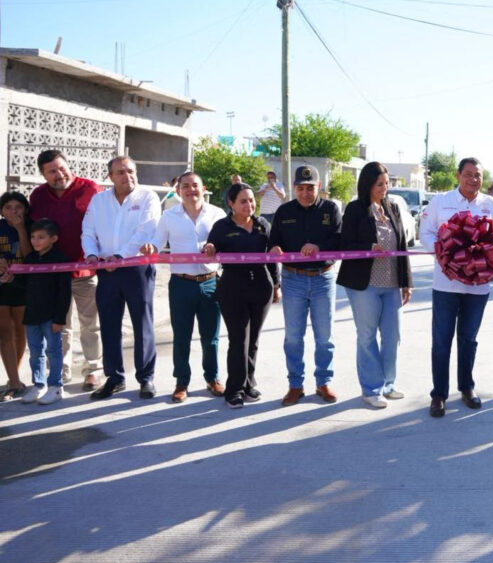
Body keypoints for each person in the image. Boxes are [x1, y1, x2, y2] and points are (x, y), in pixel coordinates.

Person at [420, 157, 493, 417]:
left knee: (469, 340)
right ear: (458, 175)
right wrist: (445, 255)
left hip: (478, 287)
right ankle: (439, 395)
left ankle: (467, 388)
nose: (473, 179)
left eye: (478, 175)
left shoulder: (490, 204)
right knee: (441, 341)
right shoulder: (440, 202)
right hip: (446, 284)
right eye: (468, 174)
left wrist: (485, 261)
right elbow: (426, 233)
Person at [141, 172, 226, 403]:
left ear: (203, 188)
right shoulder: (169, 216)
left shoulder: (217, 213)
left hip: (210, 282)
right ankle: (181, 382)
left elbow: (225, 242)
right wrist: (150, 248)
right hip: (181, 283)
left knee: (211, 337)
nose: (190, 190)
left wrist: (214, 246)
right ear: (178, 191)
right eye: (185, 186)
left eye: (195, 185)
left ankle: (212, 378)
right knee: (181, 336)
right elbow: (157, 243)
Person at [82, 155, 161, 400]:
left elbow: (145, 231)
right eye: (121, 172)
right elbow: (88, 230)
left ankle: (146, 378)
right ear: (110, 177)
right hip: (106, 270)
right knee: (109, 325)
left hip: (136, 269)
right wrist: (91, 254)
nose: (127, 176)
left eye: (131, 171)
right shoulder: (99, 200)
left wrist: (120, 256)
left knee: (142, 324)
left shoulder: (147, 197)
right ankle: (114, 378)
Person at [337, 162, 412, 409]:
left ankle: (388, 384)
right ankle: (371, 389)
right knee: (367, 336)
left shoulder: (392, 208)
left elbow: (402, 246)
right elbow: (344, 244)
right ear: (368, 184)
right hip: (364, 284)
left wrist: (406, 282)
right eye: (380, 184)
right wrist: (368, 248)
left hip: (392, 284)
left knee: (392, 336)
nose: (384, 188)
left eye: (387, 184)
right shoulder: (355, 209)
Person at [268, 165, 343, 406]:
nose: (305, 193)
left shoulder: (331, 209)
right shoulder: (284, 211)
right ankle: (295, 385)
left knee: (325, 338)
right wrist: (274, 249)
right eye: (300, 188)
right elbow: (273, 242)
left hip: (323, 279)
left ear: (318, 187)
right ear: (294, 188)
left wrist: (320, 248)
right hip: (293, 280)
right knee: (293, 337)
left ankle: (323, 382)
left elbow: (340, 240)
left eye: (310, 188)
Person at [28, 149, 103, 390]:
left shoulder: (90, 189)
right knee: (60, 324)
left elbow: (103, 224)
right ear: (43, 175)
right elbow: (33, 231)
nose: (59, 174)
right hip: (52, 274)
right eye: (52, 171)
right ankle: (60, 368)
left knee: (90, 323)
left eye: (62, 168)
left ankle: (93, 369)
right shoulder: (38, 196)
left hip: (85, 271)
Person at [204, 183, 281, 409]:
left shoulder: (262, 224)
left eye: (251, 200)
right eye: (243, 201)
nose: (249, 205)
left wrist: (276, 284)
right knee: (238, 339)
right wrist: (210, 247)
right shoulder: (222, 226)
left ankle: (248, 384)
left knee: (253, 339)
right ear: (231, 203)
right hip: (233, 287)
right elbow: (211, 246)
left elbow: (271, 256)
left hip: (261, 286)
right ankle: (234, 390)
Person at [3, 219, 72, 405]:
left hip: (51, 316)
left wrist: (60, 318)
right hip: (32, 314)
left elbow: (64, 293)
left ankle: (56, 386)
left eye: (41, 237)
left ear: (54, 238)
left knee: (54, 351)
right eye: (33, 237)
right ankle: (39, 385)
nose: (35, 241)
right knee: (35, 352)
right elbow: (25, 285)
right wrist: (11, 280)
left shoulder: (61, 260)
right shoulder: (30, 259)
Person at [0, 192, 31, 400]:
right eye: (8, 207)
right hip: (2, 284)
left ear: (25, 210)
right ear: (2, 211)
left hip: (24, 285)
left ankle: (14, 379)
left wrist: (20, 229)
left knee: (21, 331)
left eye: (18, 207)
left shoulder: (32, 227)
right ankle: (14, 380)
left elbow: (29, 257)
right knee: (5, 332)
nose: (13, 211)